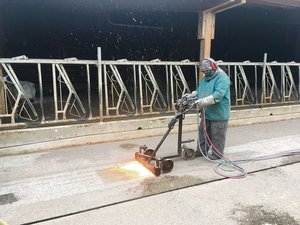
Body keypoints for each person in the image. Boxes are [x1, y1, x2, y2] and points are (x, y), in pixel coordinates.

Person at [195, 58, 231, 160]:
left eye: (207, 71)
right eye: (204, 71)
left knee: (217, 135)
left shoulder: (222, 78)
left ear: (214, 67)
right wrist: (193, 95)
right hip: (207, 113)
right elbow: (200, 90)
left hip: (219, 114)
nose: (205, 73)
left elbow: (218, 95)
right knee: (203, 133)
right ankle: (201, 150)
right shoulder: (205, 78)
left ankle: (217, 154)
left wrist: (203, 101)